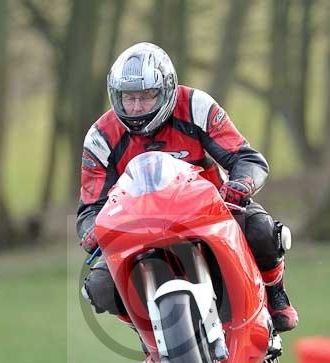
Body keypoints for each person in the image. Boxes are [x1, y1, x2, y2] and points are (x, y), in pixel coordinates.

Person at [77, 41, 298, 347]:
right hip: (139, 229)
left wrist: (240, 185)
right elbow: (90, 207)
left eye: (147, 96)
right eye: (129, 98)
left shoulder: (196, 107)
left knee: (262, 230)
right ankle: (148, 336)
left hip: (210, 212)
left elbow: (247, 158)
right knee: (99, 286)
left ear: (166, 90)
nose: (137, 107)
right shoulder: (101, 137)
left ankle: (275, 295)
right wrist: (93, 231)